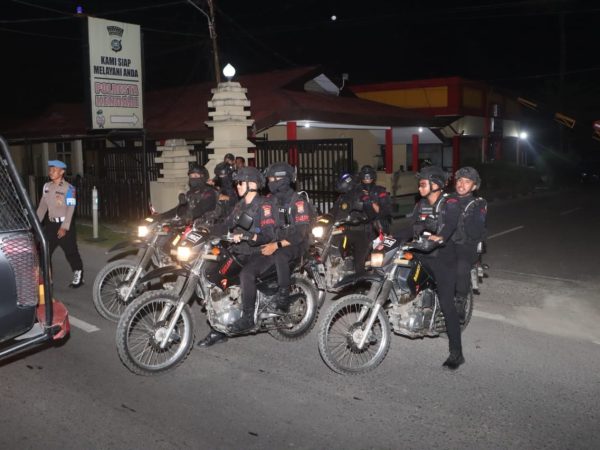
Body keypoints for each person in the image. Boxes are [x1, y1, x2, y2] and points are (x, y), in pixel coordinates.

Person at [197, 166, 278, 347]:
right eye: (237, 183)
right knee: (214, 273)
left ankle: (248, 317)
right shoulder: (240, 205)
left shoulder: (264, 205)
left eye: (240, 183)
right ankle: (220, 327)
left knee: (246, 275)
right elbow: (227, 224)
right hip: (241, 252)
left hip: (261, 253)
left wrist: (248, 236)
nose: (237, 186)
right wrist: (207, 230)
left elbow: (269, 235)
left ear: (252, 184)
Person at [395, 165, 465, 370]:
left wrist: (440, 237)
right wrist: (392, 238)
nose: (419, 188)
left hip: (444, 257)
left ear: (436, 184)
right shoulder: (421, 204)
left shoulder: (450, 202)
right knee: (399, 273)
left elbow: (450, 224)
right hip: (422, 252)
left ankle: (456, 353)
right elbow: (411, 226)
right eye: (419, 184)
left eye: (423, 184)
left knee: (447, 303)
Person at [261, 162, 315, 312]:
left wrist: (276, 245)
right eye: (269, 180)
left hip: (296, 243)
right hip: (277, 238)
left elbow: (299, 234)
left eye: (272, 179)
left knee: (280, 255)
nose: (270, 183)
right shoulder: (271, 200)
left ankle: (283, 295)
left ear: (283, 179)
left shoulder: (298, 202)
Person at [337, 165, 392, 285]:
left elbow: (383, 212)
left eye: (369, 175)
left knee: (360, 258)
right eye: (365, 175)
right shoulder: (355, 190)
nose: (367, 178)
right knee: (338, 247)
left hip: (373, 229)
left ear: (373, 176)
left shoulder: (380, 191)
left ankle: (361, 284)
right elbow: (343, 206)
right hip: (354, 227)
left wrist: (369, 200)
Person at [36, 160, 84, 288]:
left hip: (65, 224)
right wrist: (35, 223)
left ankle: (78, 273)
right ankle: (48, 279)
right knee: (44, 252)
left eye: (54, 170)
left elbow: (71, 208)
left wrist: (64, 227)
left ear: (62, 172)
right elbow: (42, 207)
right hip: (50, 225)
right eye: (50, 169)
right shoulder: (46, 187)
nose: (51, 172)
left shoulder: (69, 188)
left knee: (71, 252)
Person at [452, 167, 487, 321]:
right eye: (459, 180)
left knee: (461, 266)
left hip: (466, 244)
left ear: (474, 186)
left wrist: (462, 217)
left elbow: (475, 230)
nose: (462, 184)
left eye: (467, 182)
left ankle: (460, 301)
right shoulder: (446, 199)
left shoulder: (478, 204)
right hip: (446, 242)